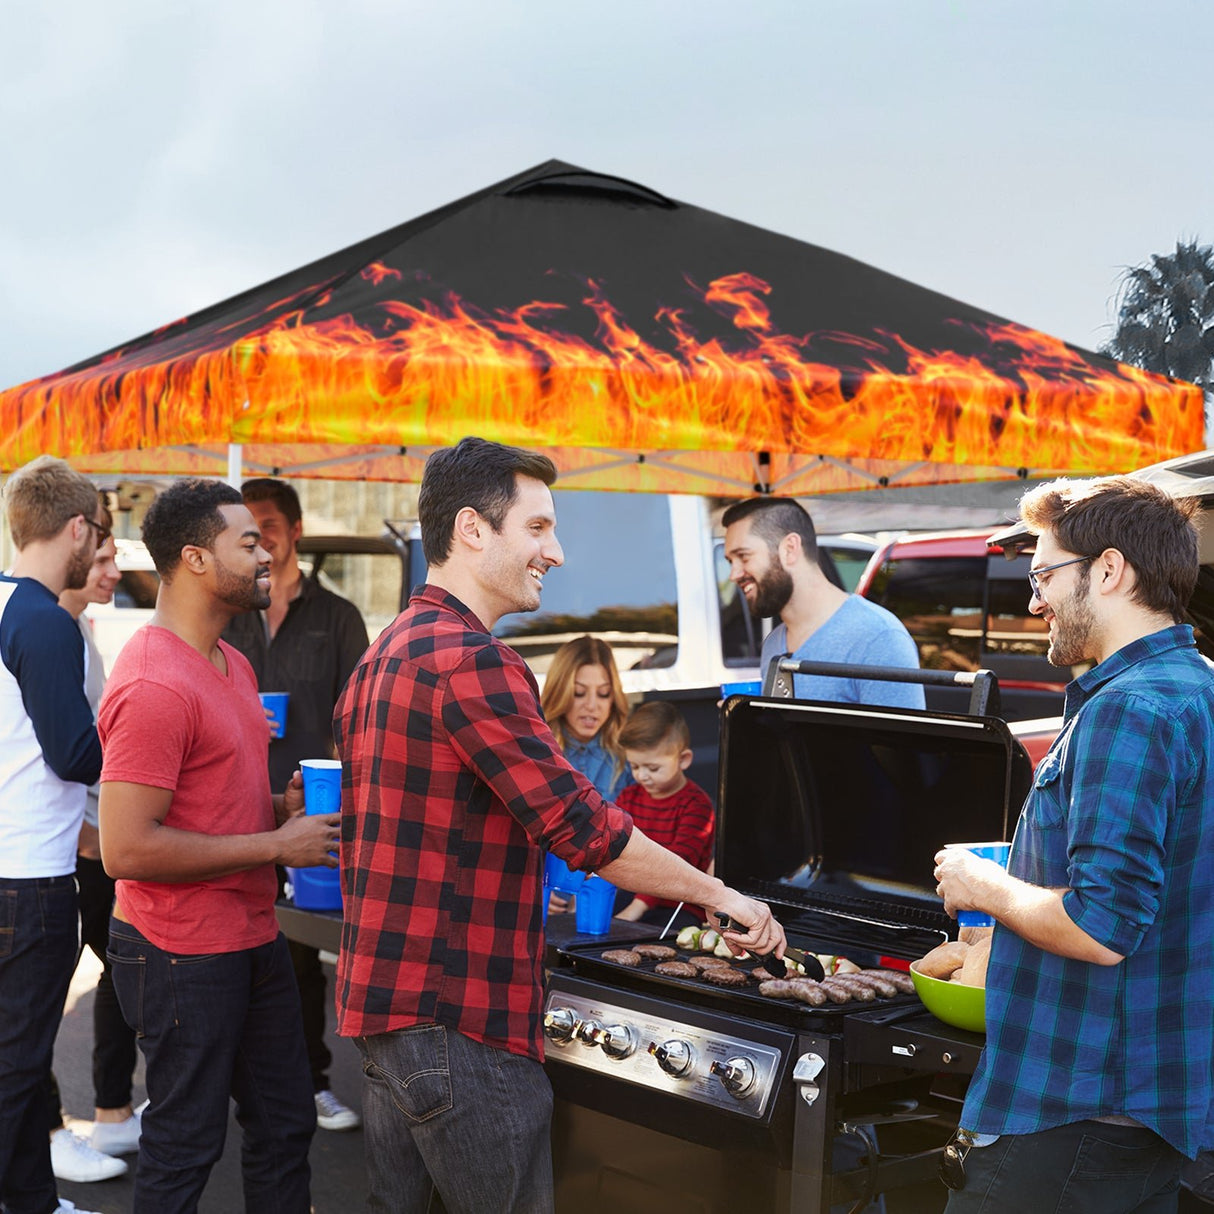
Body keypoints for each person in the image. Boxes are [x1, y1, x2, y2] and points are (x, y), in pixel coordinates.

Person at [334, 435, 785, 1214]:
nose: (558, 552)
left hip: (389, 1020)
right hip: (460, 1024)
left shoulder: (388, 651)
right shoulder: (472, 659)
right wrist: (724, 897)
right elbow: (586, 831)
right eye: (538, 528)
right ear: (473, 530)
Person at [933, 475, 1214, 1212]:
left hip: (1070, 1112)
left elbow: (1101, 924)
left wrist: (979, 882)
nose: (1034, 602)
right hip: (1150, 1110)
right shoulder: (1198, 687)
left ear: (1111, 570)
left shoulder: (1131, 709)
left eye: (1044, 575)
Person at [97, 478, 343, 1214]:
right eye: (248, 540)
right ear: (198, 559)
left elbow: (210, 805)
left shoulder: (231, 664)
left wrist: (280, 807)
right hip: (178, 953)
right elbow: (127, 850)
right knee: (186, 1144)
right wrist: (275, 843)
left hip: (250, 936)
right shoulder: (152, 684)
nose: (266, 550)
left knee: (285, 1121)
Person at [222, 476, 369, 1132]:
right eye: (250, 525)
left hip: (314, 810)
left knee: (305, 954)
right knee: (236, 946)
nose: (262, 535)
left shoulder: (338, 616)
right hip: (239, 804)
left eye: (271, 523)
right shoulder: (229, 612)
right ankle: (227, 1083)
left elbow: (361, 722)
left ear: (295, 531)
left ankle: (311, 1081)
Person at [0, 455, 105, 1214]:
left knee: (17, 1065)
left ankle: (34, 1199)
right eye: (98, 534)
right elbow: (76, 754)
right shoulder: (46, 619)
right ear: (76, 528)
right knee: (16, 1067)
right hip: (31, 881)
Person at [42, 503, 142, 1185]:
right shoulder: (46, 631)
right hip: (72, 849)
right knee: (37, 1003)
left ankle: (110, 1112)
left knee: (125, 973)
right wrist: (85, 832)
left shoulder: (76, 629)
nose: (113, 570)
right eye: (103, 559)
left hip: (98, 841)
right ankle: (49, 1132)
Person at [722, 496, 925, 708]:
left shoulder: (878, 638)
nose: (733, 574)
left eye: (743, 557)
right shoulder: (773, 644)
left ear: (789, 549)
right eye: (730, 562)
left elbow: (903, 741)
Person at [541, 635, 632, 918]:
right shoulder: (537, 749)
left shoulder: (626, 759)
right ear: (560, 692)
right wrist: (543, 888)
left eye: (603, 694)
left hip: (603, 903)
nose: (592, 706)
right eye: (579, 693)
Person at [612, 700, 714, 931]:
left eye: (653, 768)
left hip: (678, 904)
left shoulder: (696, 805)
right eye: (635, 767)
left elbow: (679, 863)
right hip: (630, 892)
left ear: (683, 759)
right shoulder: (629, 796)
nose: (643, 776)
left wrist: (635, 910)